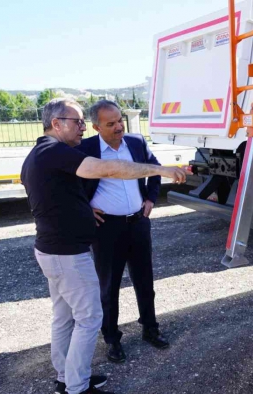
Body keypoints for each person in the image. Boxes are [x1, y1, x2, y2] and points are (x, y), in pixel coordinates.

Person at [20, 98, 186, 394]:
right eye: (78, 122)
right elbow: (108, 170)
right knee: (89, 318)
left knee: (64, 317)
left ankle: (65, 378)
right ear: (56, 124)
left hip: (55, 250)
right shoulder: (54, 151)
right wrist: (161, 171)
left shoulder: (40, 153)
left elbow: (61, 197)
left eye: (84, 122)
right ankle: (78, 387)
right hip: (68, 254)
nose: (82, 128)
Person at [75, 100, 167, 364]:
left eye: (119, 120)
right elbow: (67, 184)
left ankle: (150, 329)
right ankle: (112, 339)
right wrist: (84, 209)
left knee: (145, 281)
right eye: (111, 123)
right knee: (109, 286)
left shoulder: (136, 142)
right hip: (106, 229)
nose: (118, 127)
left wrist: (150, 199)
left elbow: (156, 170)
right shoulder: (86, 149)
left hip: (138, 223)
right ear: (96, 127)